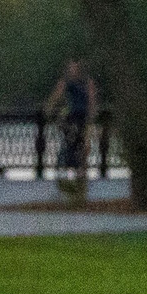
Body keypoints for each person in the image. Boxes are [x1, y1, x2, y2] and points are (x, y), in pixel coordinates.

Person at [47, 57, 97, 198]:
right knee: (72, 144)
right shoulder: (66, 83)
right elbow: (57, 96)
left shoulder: (87, 82)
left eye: (75, 67)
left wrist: (91, 117)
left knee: (83, 146)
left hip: (82, 118)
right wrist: (50, 109)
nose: (73, 70)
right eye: (71, 68)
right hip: (71, 118)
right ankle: (73, 175)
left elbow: (92, 100)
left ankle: (81, 177)